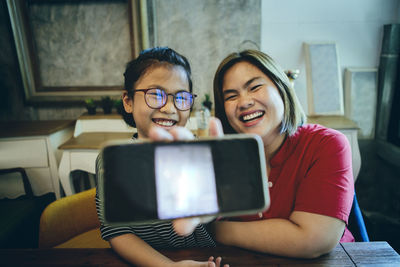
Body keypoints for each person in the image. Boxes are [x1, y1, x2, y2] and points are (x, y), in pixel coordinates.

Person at [173, 49, 355, 259]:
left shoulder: (326, 144)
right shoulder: (222, 158)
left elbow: (314, 240)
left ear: (281, 88)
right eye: (231, 96)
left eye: (255, 87)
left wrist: (216, 231)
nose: (244, 102)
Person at [95, 47, 228, 267]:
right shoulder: (114, 160)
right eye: (155, 95)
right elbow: (117, 231)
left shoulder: (200, 153)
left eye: (181, 98)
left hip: (205, 258)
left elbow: (215, 222)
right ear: (128, 101)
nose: (169, 108)